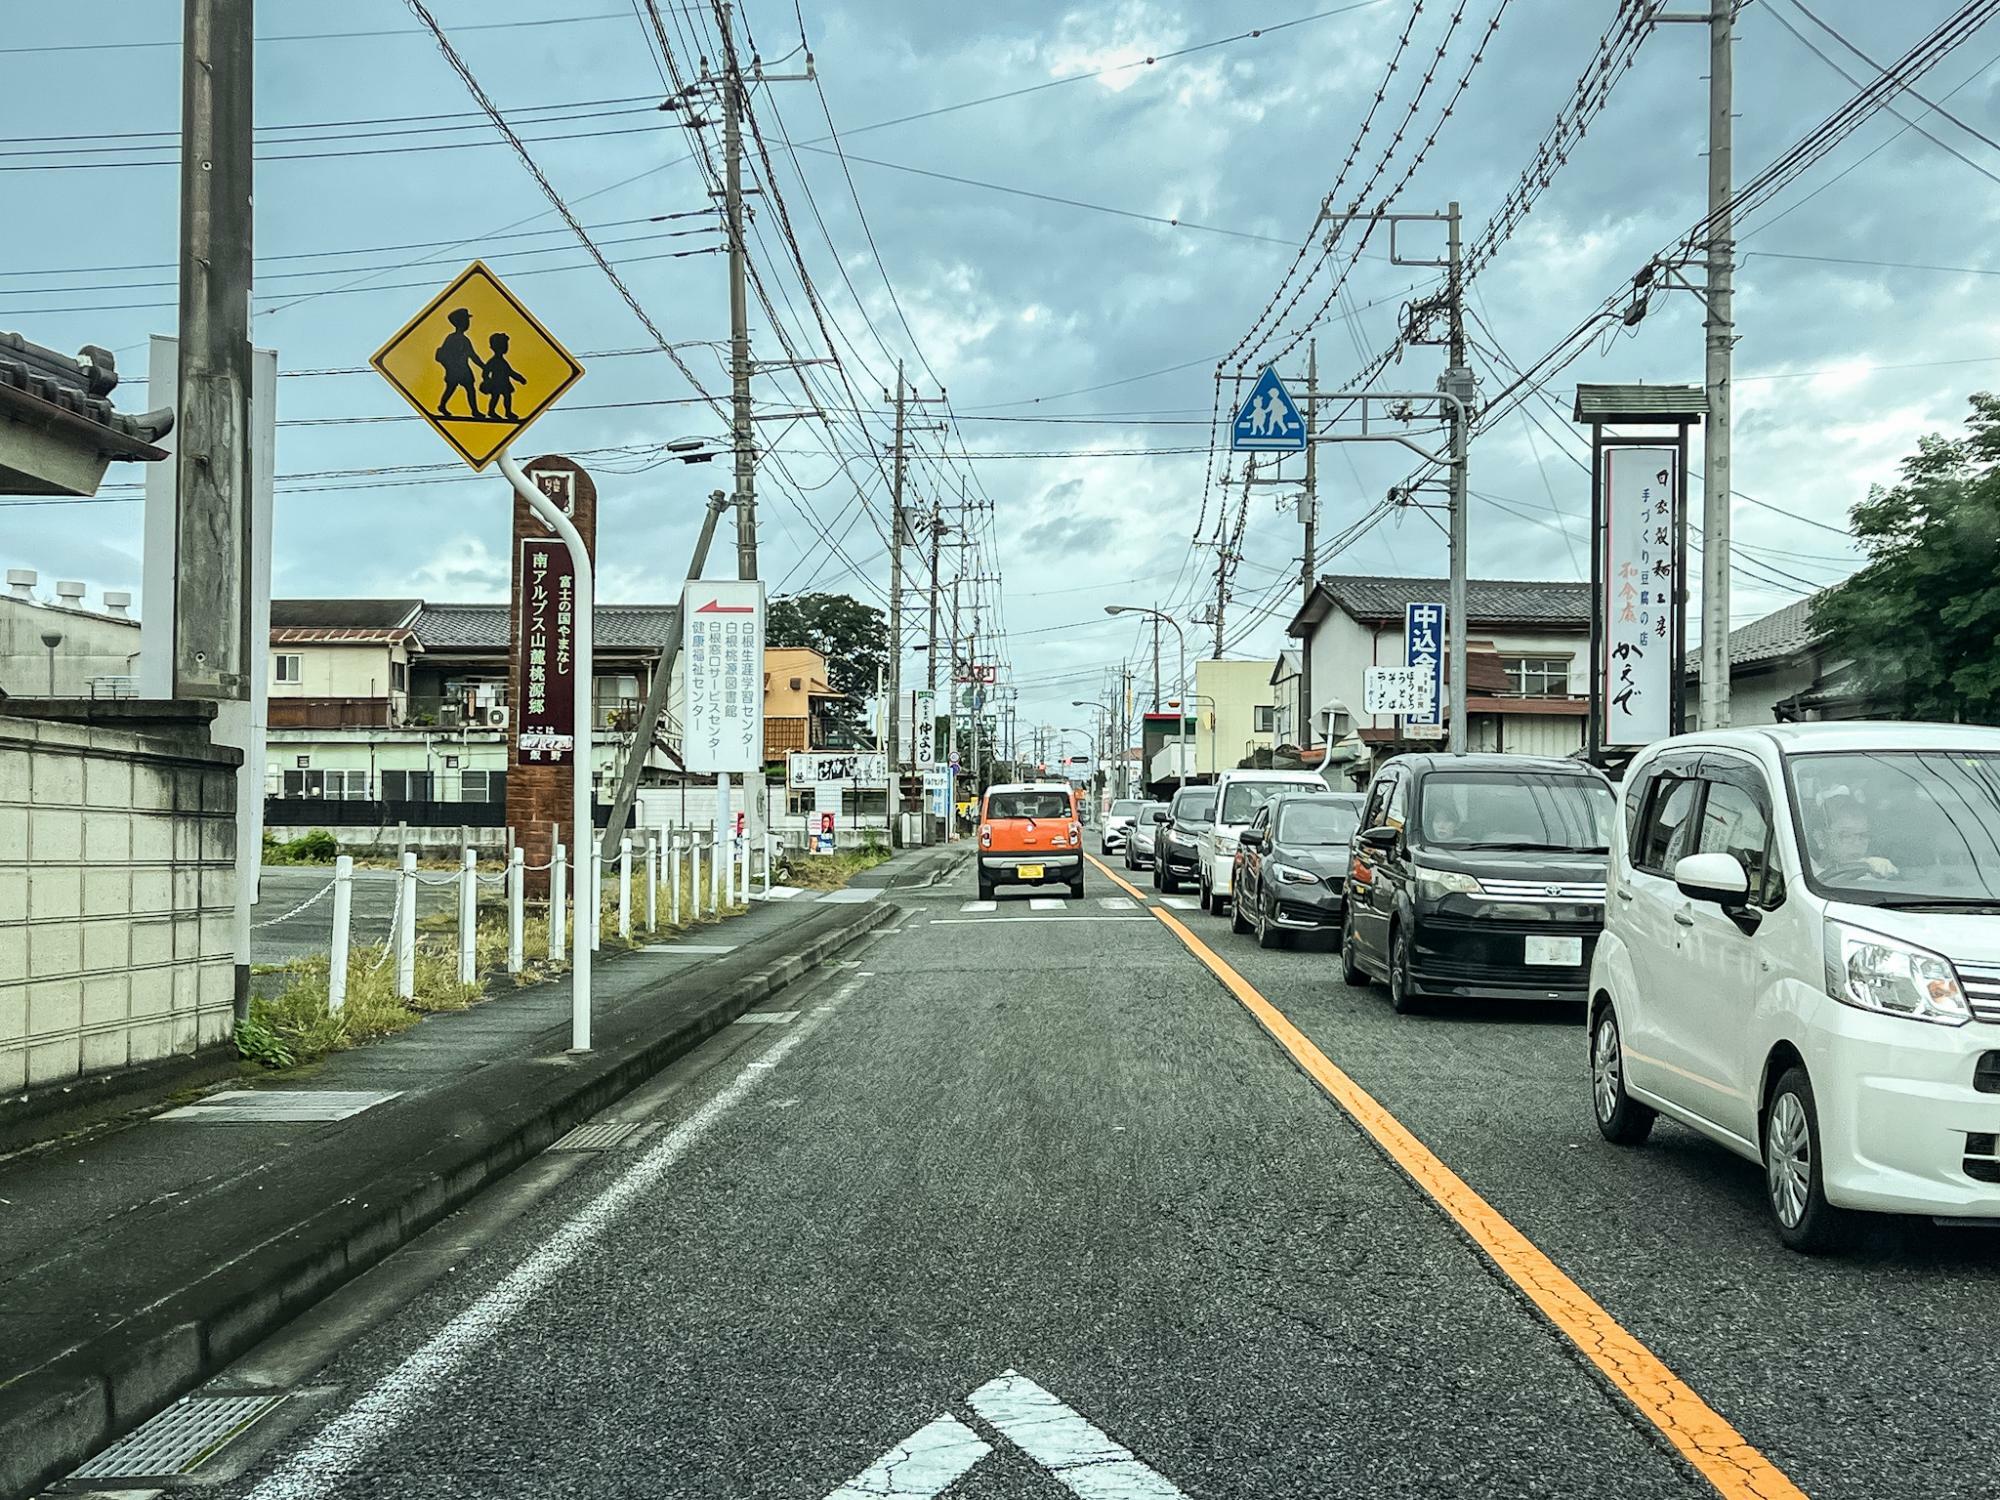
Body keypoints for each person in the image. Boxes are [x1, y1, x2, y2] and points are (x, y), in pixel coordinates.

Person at [1821, 795, 1897, 879]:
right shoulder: (1807, 877)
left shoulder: (1876, 869)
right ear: (1821, 838)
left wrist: (1886, 872)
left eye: (1864, 835)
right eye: (1846, 835)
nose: (1857, 843)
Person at [433, 308, 483, 418]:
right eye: (466, 321)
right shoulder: (451, 338)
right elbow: (446, 353)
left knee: (470, 389)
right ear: (461, 322)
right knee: (451, 388)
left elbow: (473, 355)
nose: (468, 323)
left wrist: (483, 366)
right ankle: (442, 405)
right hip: (454, 370)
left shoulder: (465, 339)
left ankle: (475, 411)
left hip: (464, 370)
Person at [480, 331, 527, 421]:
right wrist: (487, 380)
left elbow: (510, 372)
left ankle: (508, 412)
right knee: (495, 397)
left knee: (507, 397)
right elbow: (485, 371)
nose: (506, 348)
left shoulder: (502, 361)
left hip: (505, 383)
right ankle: (491, 411)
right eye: (504, 346)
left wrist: (520, 378)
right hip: (496, 384)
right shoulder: (493, 360)